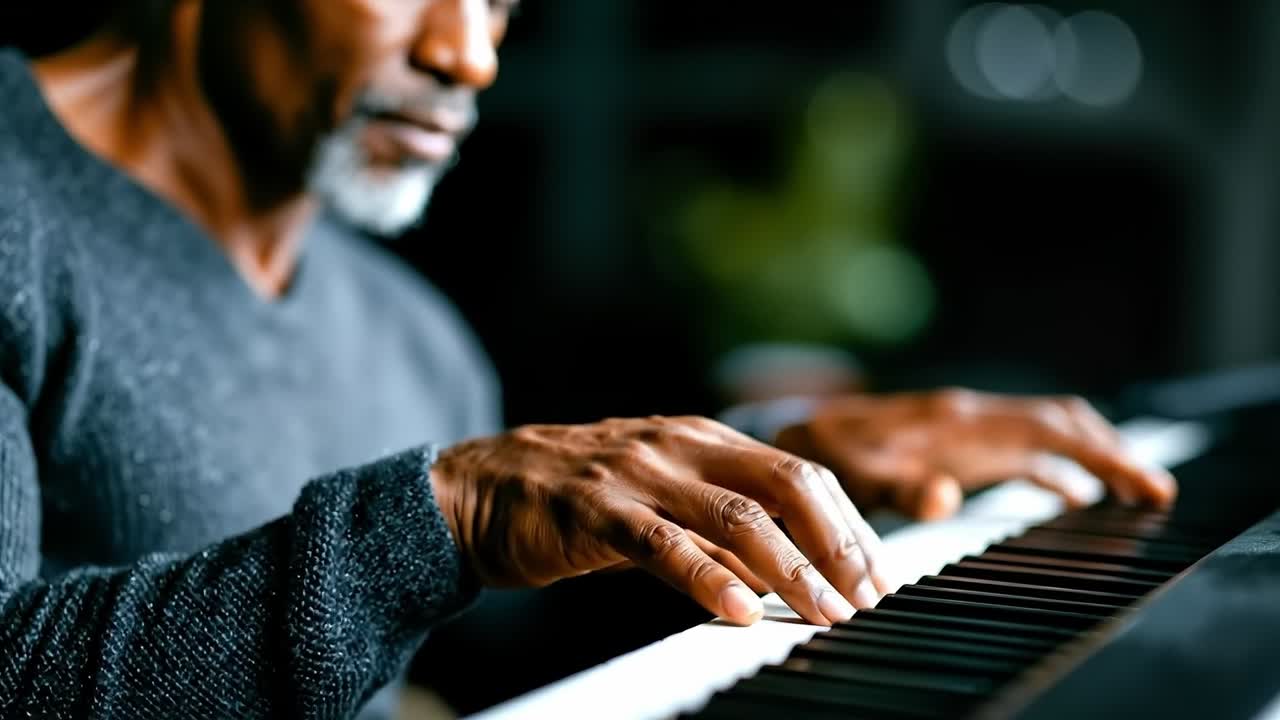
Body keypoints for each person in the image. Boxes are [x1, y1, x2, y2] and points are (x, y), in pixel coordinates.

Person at [0, 1, 1176, 718]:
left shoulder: (412, 336)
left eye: (499, 2)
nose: (469, 54)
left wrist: (776, 473)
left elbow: (476, 650)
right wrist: (442, 515)